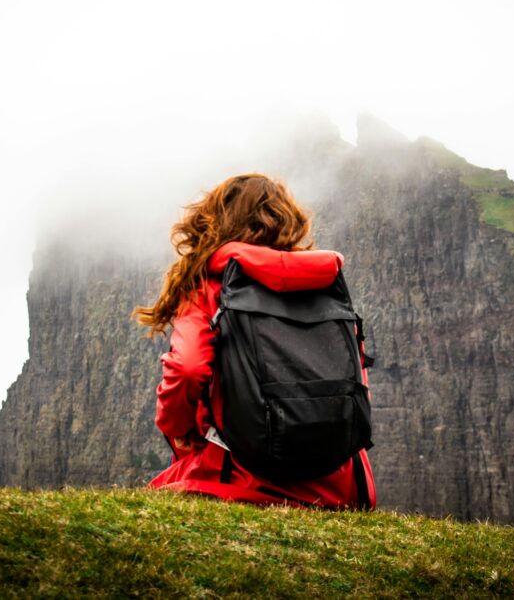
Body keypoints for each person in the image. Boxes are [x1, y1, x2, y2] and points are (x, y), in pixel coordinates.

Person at [133, 173, 375, 508]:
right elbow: (357, 377)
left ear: (215, 222)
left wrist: (178, 430)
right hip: (338, 484)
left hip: (243, 477)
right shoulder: (325, 285)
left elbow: (187, 368)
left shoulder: (213, 286)